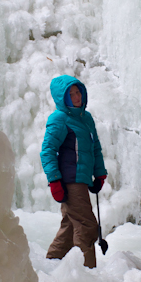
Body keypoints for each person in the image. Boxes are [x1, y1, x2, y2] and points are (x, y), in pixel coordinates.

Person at [40, 75, 107, 268]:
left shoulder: (85, 118)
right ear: (63, 98)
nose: (76, 96)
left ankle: (50, 266)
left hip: (81, 179)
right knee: (87, 227)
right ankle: (88, 274)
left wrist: (99, 173)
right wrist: (54, 180)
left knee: (70, 229)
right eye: (71, 94)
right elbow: (47, 151)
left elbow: (95, 148)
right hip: (69, 181)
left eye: (78, 91)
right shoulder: (59, 119)